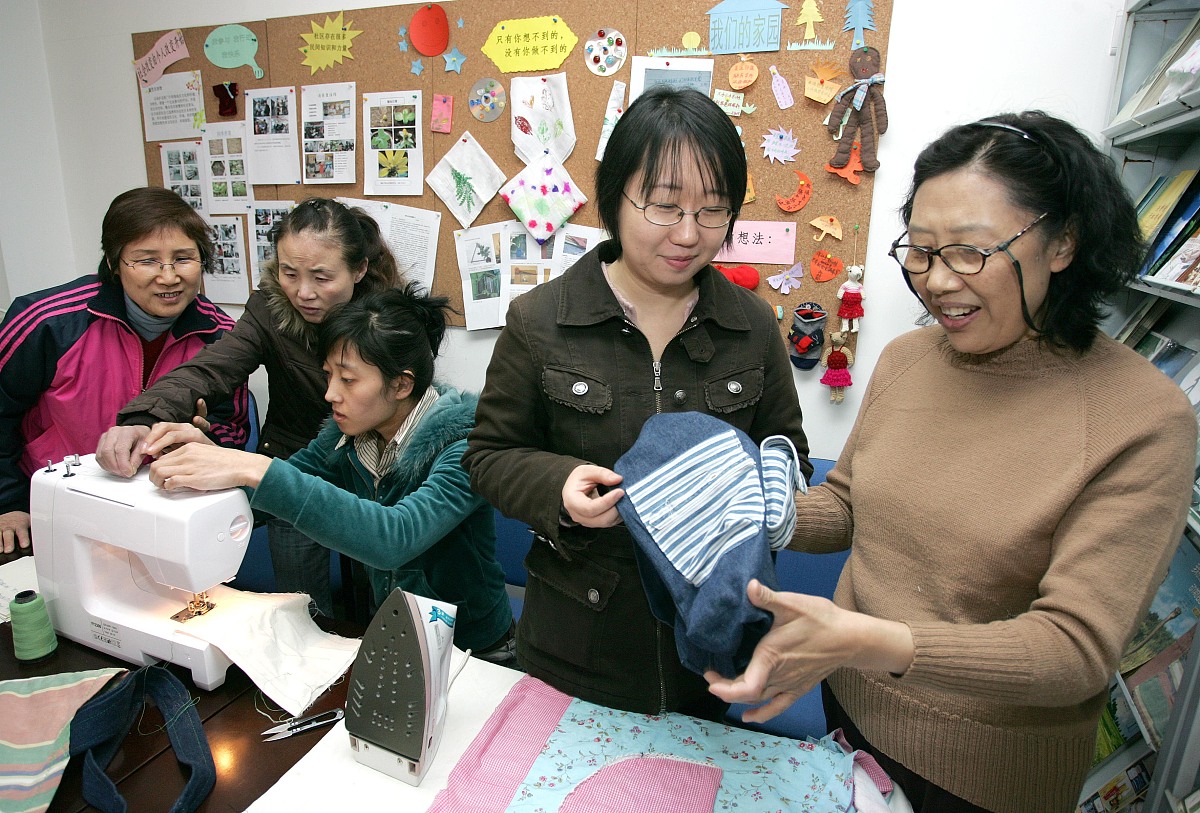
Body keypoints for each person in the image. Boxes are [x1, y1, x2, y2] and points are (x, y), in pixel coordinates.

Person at [706, 112, 1198, 812]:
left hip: (987, 776)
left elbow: (1074, 649)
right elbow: (849, 503)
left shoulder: (1142, 417)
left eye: (968, 251)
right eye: (921, 250)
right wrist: (769, 511)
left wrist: (867, 640)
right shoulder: (908, 359)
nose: (936, 281)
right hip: (849, 708)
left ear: (1063, 242)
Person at [463, 86, 811, 717]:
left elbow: (788, 452)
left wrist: (766, 497)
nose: (689, 234)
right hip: (575, 643)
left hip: (707, 645)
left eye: (713, 210)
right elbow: (489, 456)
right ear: (615, 196)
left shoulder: (752, 325)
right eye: (663, 206)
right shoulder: (541, 321)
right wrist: (559, 486)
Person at [140, 287, 515, 660]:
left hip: (474, 647)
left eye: (348, 380)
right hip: (401, 634)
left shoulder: (465, 447)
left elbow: (395, 538)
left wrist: (255, 467)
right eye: (328, 375)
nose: (330, 394)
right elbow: (265, 497)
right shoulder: (344, 440)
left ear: (402, 384)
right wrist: (209, 462)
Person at [96, 198, 399, 618]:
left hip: (377, 475)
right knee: (300, 609)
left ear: (359, 270)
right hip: (295, 466)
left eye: (322, 277)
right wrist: (144, 418)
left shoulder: (392, 322)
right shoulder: (269, 310)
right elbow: (211, 368)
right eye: (289, 273)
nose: (303, 292)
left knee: (383, 607)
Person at [0, 186, 250, 554]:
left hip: (162, 508)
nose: (169, 277)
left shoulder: (222, 335)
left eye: (183, 258)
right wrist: (8, 503)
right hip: (53, 504)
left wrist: (204, 440)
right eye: (147, 261)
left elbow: (233, 429)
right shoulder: (47, 322)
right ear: (114, 263)